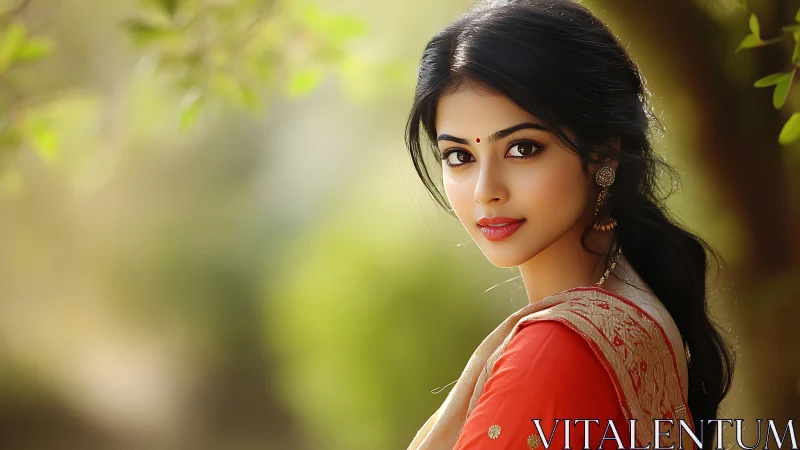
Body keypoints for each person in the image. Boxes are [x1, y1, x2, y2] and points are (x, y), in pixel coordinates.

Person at [402, 1, 735, 449]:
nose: (485, 190)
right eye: (459, 156)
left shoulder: (554, 351)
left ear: (604, 152)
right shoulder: (635, 306)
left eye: (522, 149)